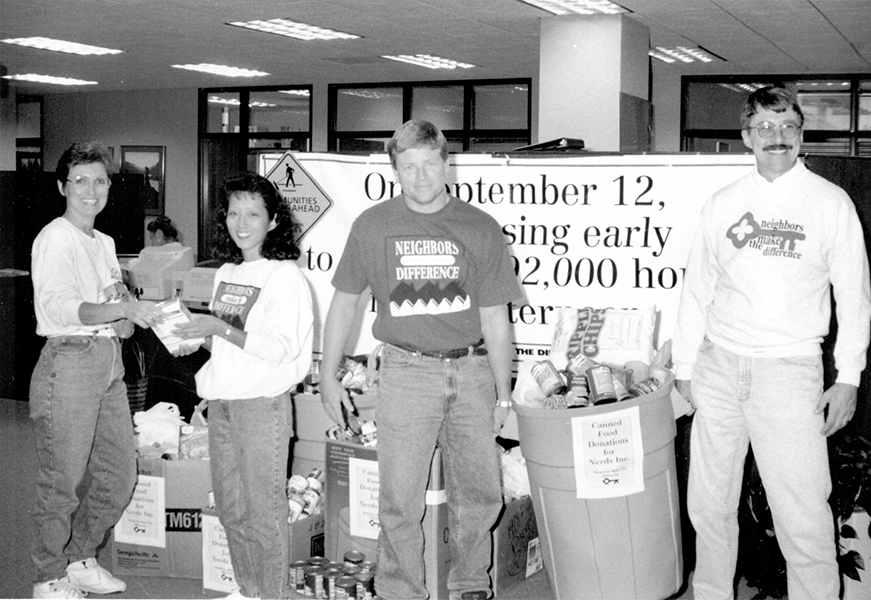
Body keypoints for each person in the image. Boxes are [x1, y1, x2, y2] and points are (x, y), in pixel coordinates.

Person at [673, 86, 871, 600]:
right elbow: (697, 289)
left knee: (802, 511)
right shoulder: (723, 204)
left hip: (790, 372)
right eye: (764, 127)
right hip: (718, 367)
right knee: (709, 506)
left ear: (802, 134)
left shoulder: (830, 204)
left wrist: (847, 378)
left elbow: (855, 296)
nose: (776, 137)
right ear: (746, 137)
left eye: (786, 127)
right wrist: (684, 367)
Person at [320, 120, 522, 600]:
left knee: (480, 495)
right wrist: (327, 376)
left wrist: (504, 390)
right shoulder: (372, 226)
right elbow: (344, 303)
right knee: (399, 500)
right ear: (395, 170)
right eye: (408, 167)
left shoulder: (480, 227)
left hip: (472, 373)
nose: (421, 176)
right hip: (407, 373)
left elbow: (496, 317)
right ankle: (401, 593)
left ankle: (472, 584)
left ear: (446, 163)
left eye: (430, 163)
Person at [29, 141, 164, 599]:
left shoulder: (103, 242)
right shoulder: (54, 238)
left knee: (119, 473)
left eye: (100, 181)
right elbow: (62, 307)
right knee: (62, 480)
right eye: (81, 181)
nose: (91, 190)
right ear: (63, 186)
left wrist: (130, 316)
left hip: (108, 364)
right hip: (68, 362)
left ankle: (81, 557)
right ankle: (49, 576)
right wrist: (117, 312)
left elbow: (113, 311)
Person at [172, 171, 314, 600]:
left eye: (253, 213)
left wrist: (219, 326)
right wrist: (196, 338)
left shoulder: (284, 276)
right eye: (234, 212)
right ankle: (250, 589)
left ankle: (271, 594)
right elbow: (228, 343)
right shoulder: (227, 273)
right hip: (223, 403)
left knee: (263, 513)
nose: (242, 222)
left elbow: (277, 350)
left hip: (262, 407)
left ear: (273, 221)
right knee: (231, 510)